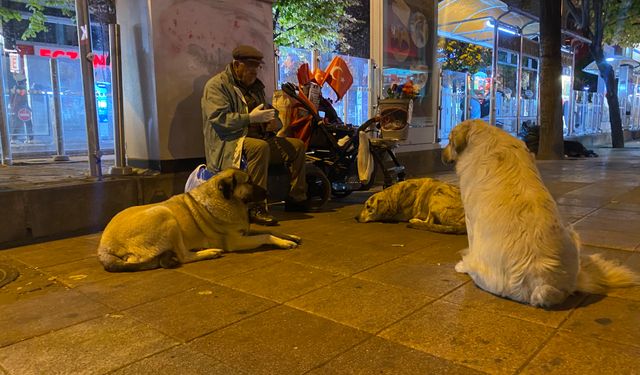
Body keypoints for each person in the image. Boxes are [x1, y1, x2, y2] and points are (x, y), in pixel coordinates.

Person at [201, 44, 308, 226]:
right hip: (229, 143)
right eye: (249, 66)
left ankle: (296, 197)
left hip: (259, 138)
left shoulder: (255, 88)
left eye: (256, 67)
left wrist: (275, 122)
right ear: (237, 65)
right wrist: (249, 118)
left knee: (296, 146)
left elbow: (270, 111)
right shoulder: (217, 86)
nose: (254, 71)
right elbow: (219, 119)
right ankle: (256, 207)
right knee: (260, 147)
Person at [9, 79, 34, 143]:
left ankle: (28, 138)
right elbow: (21, 100)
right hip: (21, 110)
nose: (26, 84)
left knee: (23, 124)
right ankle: (14, 138)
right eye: (25, 83)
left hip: (22, 110)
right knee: (21, 124)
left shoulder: (16, 91)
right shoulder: (20, 91)